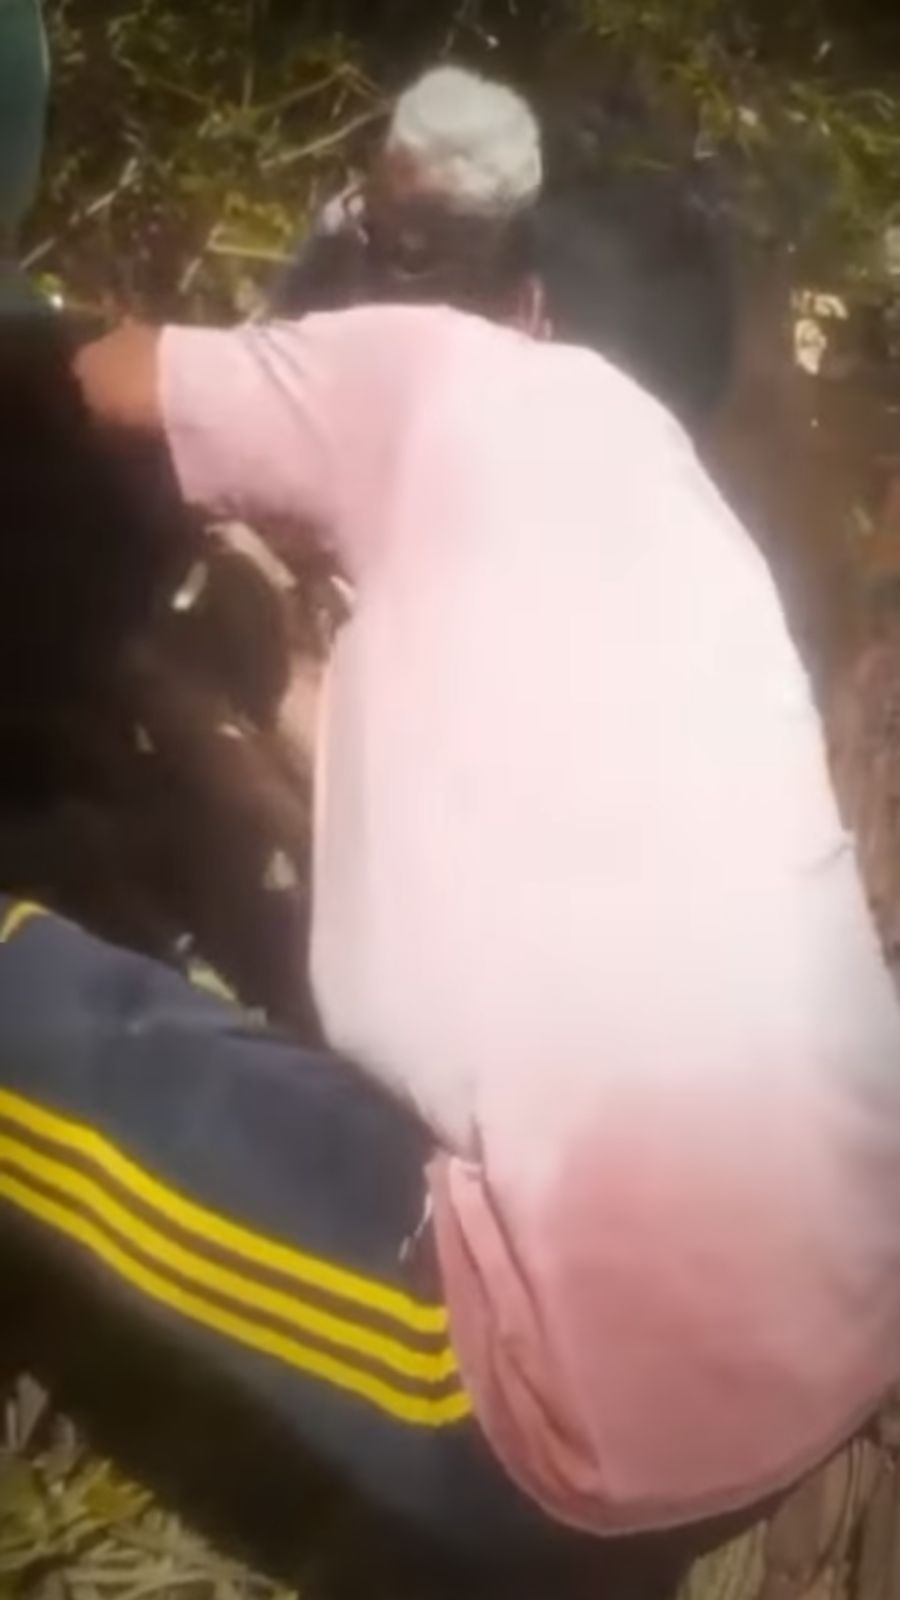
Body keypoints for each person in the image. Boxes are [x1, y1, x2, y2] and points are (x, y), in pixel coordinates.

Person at [5, 175, 900, 1592]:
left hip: (580, 1403)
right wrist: (211, 702)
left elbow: (79, 380)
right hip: (850, 1313)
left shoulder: (454, 369)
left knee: (40, 1026)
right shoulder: (706, 549)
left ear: (521, 305)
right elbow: (428, 812)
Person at [267, 63, 542, 318]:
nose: (410, 242)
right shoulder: (340, 232)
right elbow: (288, 326)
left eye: (435, 230)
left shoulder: (523, 290)